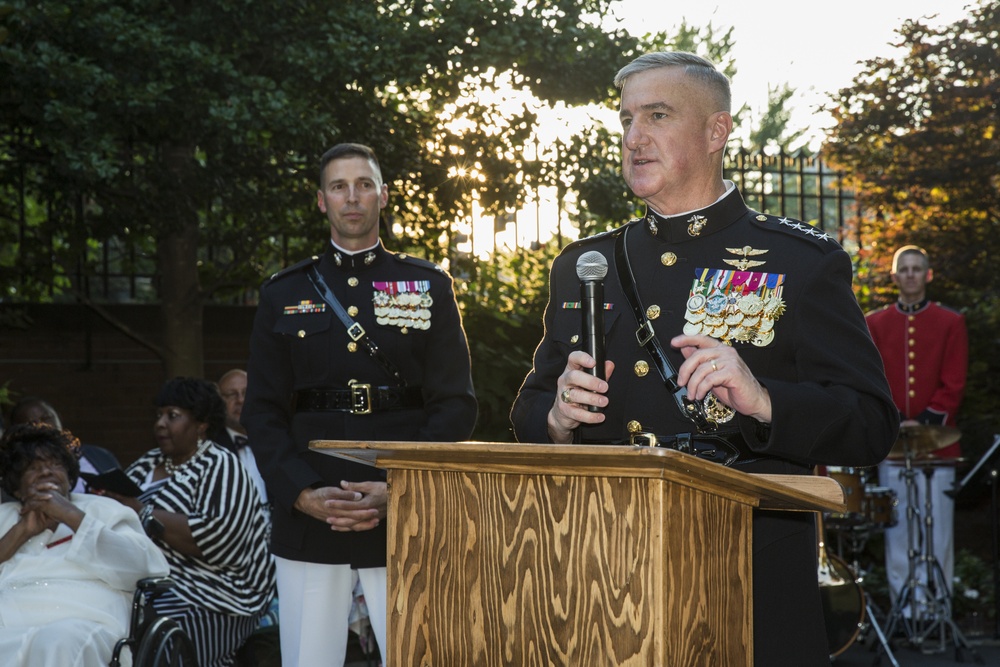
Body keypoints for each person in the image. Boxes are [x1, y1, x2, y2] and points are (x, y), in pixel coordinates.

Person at [510, 51, 898, 665]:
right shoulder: (586, 266)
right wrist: (556, 418)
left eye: (657, 116)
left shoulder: (799, 262)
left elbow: (871, 424)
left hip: (747, 571)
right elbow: (531, 407)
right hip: (603, 568)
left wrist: (766, 402)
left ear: (716, 132)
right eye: (626, 119)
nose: (634, 138)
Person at [243, 142, 478, 666]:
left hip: (403, 504)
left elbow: (455, 403)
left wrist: (401, 486)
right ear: (322, 201)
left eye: (364, 184)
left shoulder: (428, 285)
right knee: (310, 659)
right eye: (339, 186)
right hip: (312, 506)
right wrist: (301, 492)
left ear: (384, 196)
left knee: (417, 654)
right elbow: (261, 410)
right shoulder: (283, 293)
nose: (353, 197)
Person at [109, 377, 275, 667]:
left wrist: (140, 511)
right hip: (150, 586)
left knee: (166, 646)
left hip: (220, 595)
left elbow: (222, 542)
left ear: (200, 424)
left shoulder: (221, 466)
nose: (161, 423)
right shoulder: (147, 463)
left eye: (172, 416)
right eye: (159, 415)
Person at [0, 422, 169, 666]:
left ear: (69, 477)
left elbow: (140, 567)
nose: (47, 472)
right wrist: (22, 531)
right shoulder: (5, 517)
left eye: (55, 465)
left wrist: (71, 515)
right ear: (16, 486)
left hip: (84, 620)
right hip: (9, 622)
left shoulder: (104, 509)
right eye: (34, 468)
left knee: (58, 641)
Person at [866, 245, 968, 613]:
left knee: (937, 533)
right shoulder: (875, 323)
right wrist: (894, 420)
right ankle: (906, 611)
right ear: (894, 277)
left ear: (927, 276)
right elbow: (871, 380)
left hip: (937, 445)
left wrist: (924, 421)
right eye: (903, 269)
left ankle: (937, 611)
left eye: (916, 269)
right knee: (898, 533)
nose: (909, 275)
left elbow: (954, 383)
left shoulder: (951, 322)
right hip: (893, 444)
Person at [8, 396, 120, 493]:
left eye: (46, 418)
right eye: (32, 424)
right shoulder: (16, 468)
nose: (43, 426)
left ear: (59, 418)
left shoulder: (100, 455)